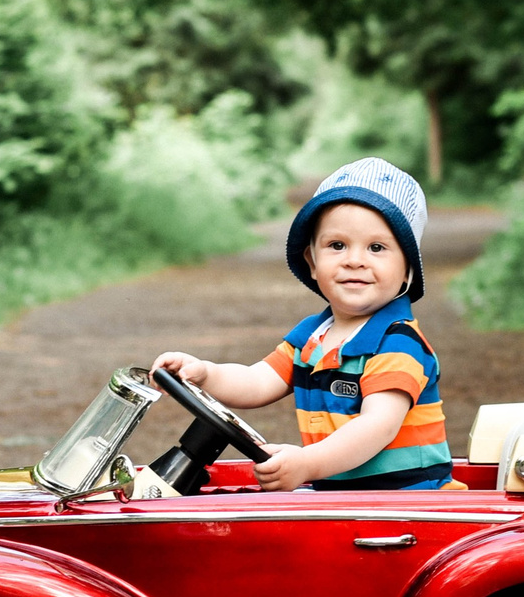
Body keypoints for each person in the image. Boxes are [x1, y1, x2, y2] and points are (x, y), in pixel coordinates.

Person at [153, 157, 454, 491]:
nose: (354, 260)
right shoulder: (312, 337)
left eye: (377, 248)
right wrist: (206, 373)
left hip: (407, 506)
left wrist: (307, 463)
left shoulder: (397, 341)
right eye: (337, 245)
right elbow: (257, 381)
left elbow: (377, 426)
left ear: (407, 269)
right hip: (344, 503)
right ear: (312, 261)